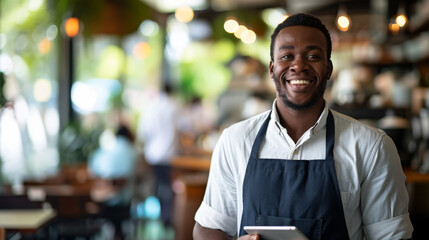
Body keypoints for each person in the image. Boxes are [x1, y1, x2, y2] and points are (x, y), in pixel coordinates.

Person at [193, 13, 413, 240]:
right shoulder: (235, 140)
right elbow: (209, 227)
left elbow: (392, 237)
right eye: (287, 56)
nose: (298, 65)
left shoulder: (371, 147)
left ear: (328, 68)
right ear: (272, 69)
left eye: (313, 56)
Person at [137, 83, 180, 227]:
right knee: (167, 186)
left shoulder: (151, 107)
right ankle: (167, 217)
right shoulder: (173, 106)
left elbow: (144, 131)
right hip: (169, 155)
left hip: (153, 154)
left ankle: (159, 216)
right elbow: (181, 128)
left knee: (156, 185)